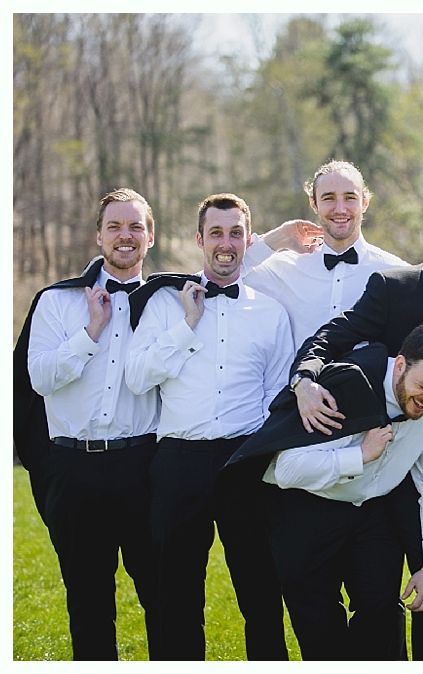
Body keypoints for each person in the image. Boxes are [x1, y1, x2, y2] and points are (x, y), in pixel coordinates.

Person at [288, 186, 423, 660]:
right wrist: (303, 380)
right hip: (396, 461)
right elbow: (334, 336)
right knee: (387, 596)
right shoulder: (392, 287)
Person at [223, 324, 423, 659]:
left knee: (380, 614)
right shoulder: (345, 384)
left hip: (373, 511)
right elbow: (288, 468)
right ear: (400, 365)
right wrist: (359, 456)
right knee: (319, 628)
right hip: (303, 510)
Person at [124, 193, 293, 660]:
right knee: (174, 594)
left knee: (261, 593)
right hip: (179, 462)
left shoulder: (271, 313)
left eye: (235, 232)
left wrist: (259, 458)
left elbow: (275, 397)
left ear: (248, 239)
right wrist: (186, 326)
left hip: (244, 461)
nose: (226, 243)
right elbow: (136, 378)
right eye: (216, 233)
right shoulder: (164, 305)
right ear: (200, 240)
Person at [22, 188, 163, 660]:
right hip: (73, 469)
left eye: (135, 227)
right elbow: (39, 379)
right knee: (88, 605)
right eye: (115, 227)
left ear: (151, 236)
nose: (126, 236)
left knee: (164, 601)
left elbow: (228, 263)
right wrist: (91, 333)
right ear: (98, 236)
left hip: (143, 468)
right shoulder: (56, 302)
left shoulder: (167, 302)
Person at [243, 159, 407, 348]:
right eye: (328, 198)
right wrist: (279, 236)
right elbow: (228, 273)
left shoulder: (395, 272)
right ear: (314, 204)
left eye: (350, 198)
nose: (340, 209)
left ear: (365, 202)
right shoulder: (285, 268)